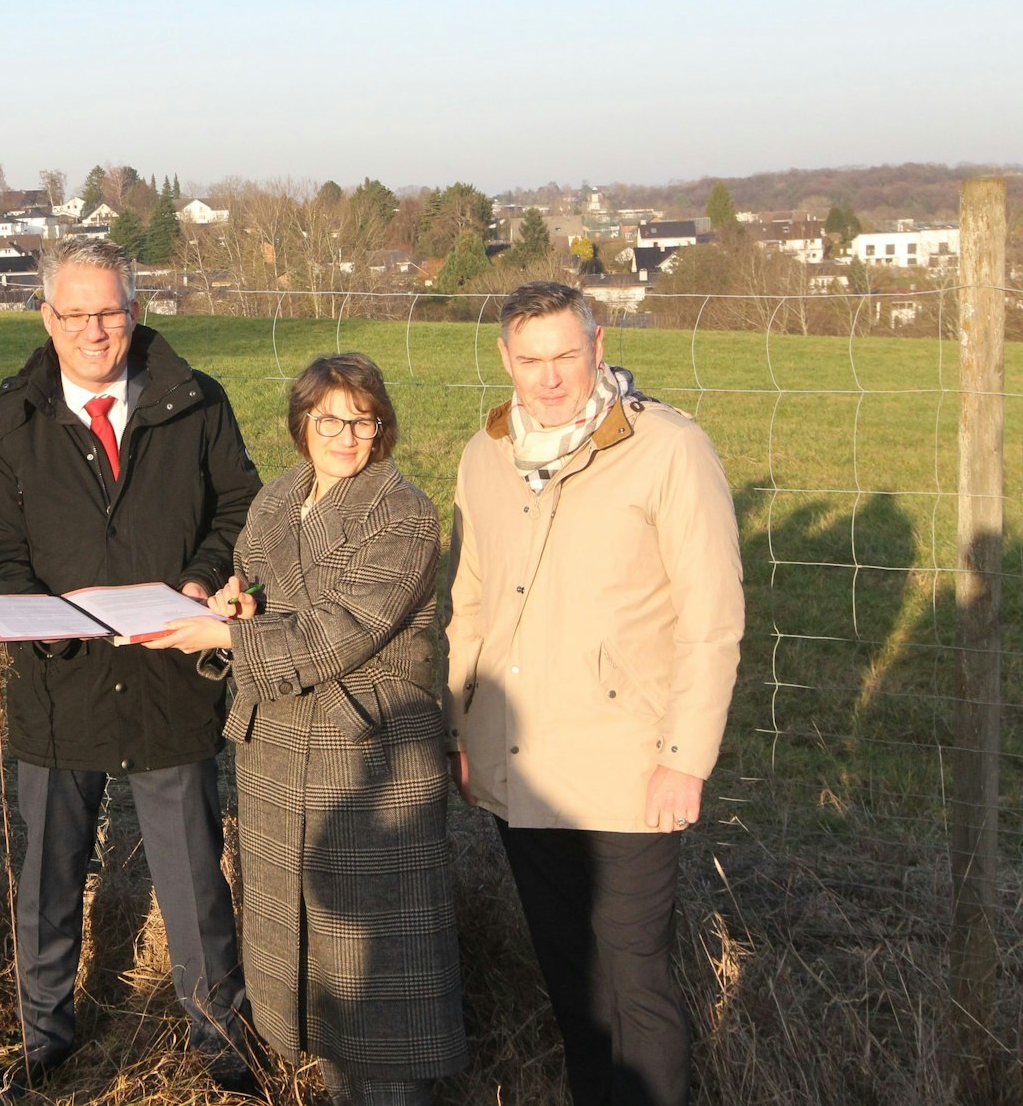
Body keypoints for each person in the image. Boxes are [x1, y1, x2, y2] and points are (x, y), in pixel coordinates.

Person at [0, 236, 263, 1099]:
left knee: (197, 875)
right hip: (59, 684)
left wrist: (201, 578)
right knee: (48, 875)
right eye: (76, 313)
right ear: (47, 317)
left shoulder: (196, 403)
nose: (96, 329)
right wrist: (46, 619)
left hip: (172, 674)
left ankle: (219, 1037)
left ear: (136, 310)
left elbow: (239, 503)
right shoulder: (4, 421)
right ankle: (43, 1031)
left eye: (112, 310)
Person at [443, 281, 743, 1105]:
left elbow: (712, 619)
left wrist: (683, 760)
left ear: (598, 344)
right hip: (518, 766)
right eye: (530, 359)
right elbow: (467, 602)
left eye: (565, 356)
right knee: (571, 979)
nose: (549, 378)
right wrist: (464, 733)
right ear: (505, 358)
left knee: (634, 980)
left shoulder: (669, 449)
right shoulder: (486, 453)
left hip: (627, 770)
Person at [147, 353, 468, 1104]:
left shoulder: (403, 511)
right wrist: (239, 605)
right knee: (311, 969)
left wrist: (227, 638)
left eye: (363, 420)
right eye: (330, 418)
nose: (346, 435)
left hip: (366, 756)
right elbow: (269, 592)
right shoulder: (279, 497)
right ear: (302, 423)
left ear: (381, 427)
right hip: (279, 748)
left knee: (373, 975)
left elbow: (343, 629)